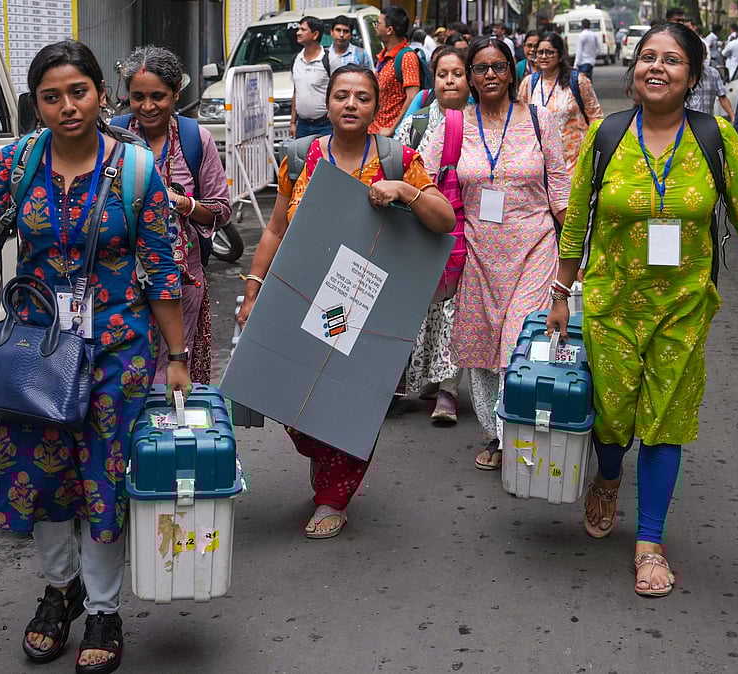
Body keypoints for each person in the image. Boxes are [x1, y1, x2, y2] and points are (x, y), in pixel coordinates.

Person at [0, 40, 189, 672]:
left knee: (103, 479)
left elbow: (161, 270)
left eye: (78, 92)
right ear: (36, 105)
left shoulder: (136, 171)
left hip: (117, 352)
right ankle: (60, 588)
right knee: (39, 477)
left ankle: (103, 609)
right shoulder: (16, 165)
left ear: (101, 95)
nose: (67, 106)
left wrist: (177, 355)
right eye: (51, 97)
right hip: (36, 352)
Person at [549, 23, 738, 598]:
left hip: (683, 307)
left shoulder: (716, 138)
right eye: (647, 57)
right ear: (634, 69)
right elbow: (577, 220)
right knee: (612, 418)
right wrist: (559, 294)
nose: (657, 67)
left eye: (671, 60)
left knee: (665, 421)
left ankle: (650, 542)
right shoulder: (606, 135)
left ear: (693, 76)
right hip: (610, 305)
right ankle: (607, 476)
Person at [236, 64, 455, 538]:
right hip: (301, 300)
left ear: (377, 107)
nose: (351, 104)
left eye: (362, 97)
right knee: (292, 399)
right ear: (328, 102)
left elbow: (444, 221)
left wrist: (406, 191)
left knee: (354, 401)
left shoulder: (399, 160)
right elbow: (275, 229)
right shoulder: (301, 158)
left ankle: (333, 496)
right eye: (341, 96)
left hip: (366, 307)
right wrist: (253, 290)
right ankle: (323, 453)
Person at [418, 36, 569, 471]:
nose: (489, 75)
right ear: (469, 76)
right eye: (480, 68)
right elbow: (420, 175)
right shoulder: (453, 126)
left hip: (534, 247)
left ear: (512, 71)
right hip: (476, 254)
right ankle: (494, 433)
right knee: (482, 349)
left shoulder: (540, 121)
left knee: (518, 340)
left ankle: (515, 432)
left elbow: (559, 187)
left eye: (498, 67)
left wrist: (580, 248)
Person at [117, 45, 232, 385]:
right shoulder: (112, 139)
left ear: (176, 92)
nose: (147, 106)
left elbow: (221, 209)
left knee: (172, 376)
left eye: (158, 96)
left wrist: (183, 204)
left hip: (182, 284)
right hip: (120, 284)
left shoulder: (196, 140)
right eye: (138, 97)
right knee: (124, 377)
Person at [397, 46, 473, 424]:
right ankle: (421, 378)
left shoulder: (479, 122)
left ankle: (448, 390)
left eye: (457, 74)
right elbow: (398, 163)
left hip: (466, 229)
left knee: (454, 309)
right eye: (442, 74)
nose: (450, 81)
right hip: (422, 224)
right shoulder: (417, 122)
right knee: (422, 307)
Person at [521, 32, 605, 172]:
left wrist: (590, 150)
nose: (543, 56)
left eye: (549, 52)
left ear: (560, 56)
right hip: (540, 162)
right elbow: (520, 120)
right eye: (540, 52)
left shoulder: (578, 81)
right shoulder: (529, 83)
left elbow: (595, 117)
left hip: (575, 161)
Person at [371, 6, 424, 136]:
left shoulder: (407, 57)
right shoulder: (384, 55)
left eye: (378, 23)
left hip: (392, 135)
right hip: (376, 130)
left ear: (389, 30)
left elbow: (413, 97)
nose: (376, 27)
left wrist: (393, 129)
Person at [291, 16, 331, 139]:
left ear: (315, 34)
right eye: (298, 29)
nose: (298, 33)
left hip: (326, 124)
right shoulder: (296, 59)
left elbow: (339, 88)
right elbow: (296, 91)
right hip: (302, 125)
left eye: (303, 30)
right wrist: (293, 122)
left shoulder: (329, 59)